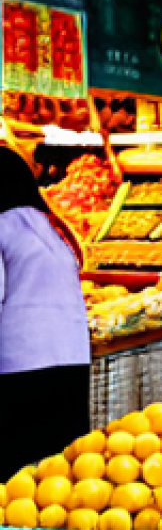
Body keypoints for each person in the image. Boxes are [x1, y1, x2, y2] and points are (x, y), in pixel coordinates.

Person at [0, 146, 91, 482]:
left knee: (18, 477)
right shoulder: (50, 226)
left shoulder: (2, 227)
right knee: (62, 470)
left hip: (21, 368)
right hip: (71, 360)